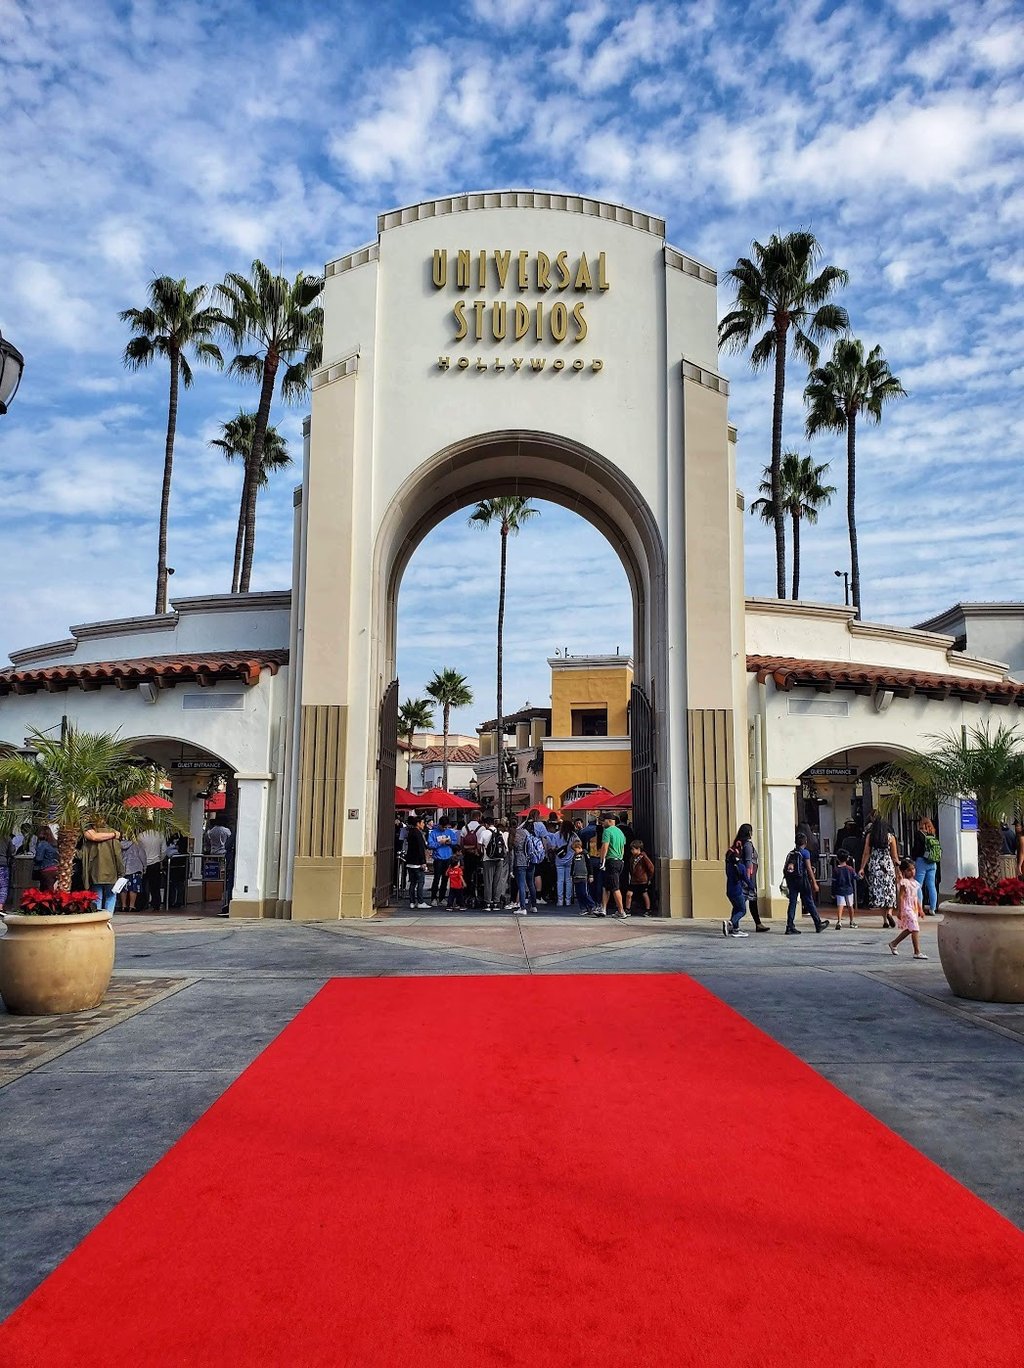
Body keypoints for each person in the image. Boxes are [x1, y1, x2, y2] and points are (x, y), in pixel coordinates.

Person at [782, 827, 830, 933]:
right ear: (805, 842)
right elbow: (808, 868)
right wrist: (814, 882)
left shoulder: (791, 853)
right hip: (802, 880)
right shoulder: (805, 853)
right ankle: (818, 923)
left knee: (793, 902)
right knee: (809, 901)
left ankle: (789, 925)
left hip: (792, 881)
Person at [859, 811, 899, 929]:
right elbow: (895, 856)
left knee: (880, 893)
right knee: (889, 892)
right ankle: (890, 913)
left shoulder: (870, 836)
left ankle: (885, 920)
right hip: (887, 866)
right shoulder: (890, 837)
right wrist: (898, 869)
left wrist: (862, 868)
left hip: (875, 866)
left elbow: (866, 853)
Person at [82, 818, 124, 913]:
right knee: (111, 896)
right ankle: (108, 918)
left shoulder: (90, 836)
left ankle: (97, 919)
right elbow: (118, 856)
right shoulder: (114, 835)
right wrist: (121, 872)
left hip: (95, 872)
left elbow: (83, 854)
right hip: (111, 872)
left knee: (97, 897)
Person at [888, 858, 928, 959]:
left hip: (913, 908)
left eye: (913, 869)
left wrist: (920, 909)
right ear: (904, 871)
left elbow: (916, 897)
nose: (912, 871)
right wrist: (900, 910)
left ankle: (894, 943)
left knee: (911, 929)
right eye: (909, 870)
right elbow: (901, 897)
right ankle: (917, 951)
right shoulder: (904, 882)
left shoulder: (915, 883)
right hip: (906, 907)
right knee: (915, 928)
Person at [735, 822, 768, 931]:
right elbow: (749, 863)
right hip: (749, 878)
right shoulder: (748, 845)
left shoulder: (740, 844)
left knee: (752, 901)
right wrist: (748, 880)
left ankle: (758, 923)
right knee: (742, 902)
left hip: (747, 877)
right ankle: (733, 922)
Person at [511, 814, 543, 914]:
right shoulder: (532, 834)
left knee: (521, 884)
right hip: (531, 860)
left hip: (520, 861)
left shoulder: (519, 833)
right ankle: (533, 906)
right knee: (531, 883)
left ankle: (522, 907)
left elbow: (514, 846)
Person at [723, 833, 753, 937]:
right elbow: (746, 879)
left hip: (729, 890)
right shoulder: (741, 867)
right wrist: (751, 886)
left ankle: (735, 929)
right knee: (742, 910)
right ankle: (731, 923)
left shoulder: (729, 867)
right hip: (737, 891)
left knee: (736, 908)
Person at [598, 814, 627, 918]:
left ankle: (621, 911)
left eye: (603, 821)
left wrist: (602, 860)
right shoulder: (620, 832)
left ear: (609, 821)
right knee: (606, 886)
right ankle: (603, 908)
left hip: (611, 861)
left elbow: (605, 847)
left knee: (615, 887)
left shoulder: (607, 831)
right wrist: (621, 858)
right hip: (619, 860)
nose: (601, 823)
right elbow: (623, 848)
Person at [911, 817, 940, 917]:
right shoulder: (932, 833)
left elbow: (917, 848)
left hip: (922, 861)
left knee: (918, 885)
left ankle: (919, 908)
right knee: (931, 885)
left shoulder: (919, 834)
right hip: (932, 862)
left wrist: (913, 857)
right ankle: (933, 908)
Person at [428, 816, 459, 905]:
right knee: (436, 879)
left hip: (448, 858)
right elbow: (430, 845)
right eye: (443, 827)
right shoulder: (433, 833)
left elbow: (455, 841)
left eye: (446, 827)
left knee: (445, 879)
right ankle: (433, 897)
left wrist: (450, 843)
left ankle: (442, 898)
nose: (445, 828)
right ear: (439, 825)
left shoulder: (450, 832)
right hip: (438, 858)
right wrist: (439, 843)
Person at [477, 814, 506, 911]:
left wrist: (481, 854)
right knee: (497, 881)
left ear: (486, 824)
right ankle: (496, 902)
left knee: (488, 881)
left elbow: (479, 846)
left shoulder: (484, 833)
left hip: (488, 859)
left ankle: (488, 903)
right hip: (499, 859)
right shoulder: (500, 832)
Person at [460, 810, 485, 907]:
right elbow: (481, 843)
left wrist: (464, 851)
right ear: (478, 817)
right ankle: (477, 893)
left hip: (467, 855)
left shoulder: (464, 828)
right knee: (478, 875)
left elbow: (461, 843)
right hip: (476, 855)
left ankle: (467, 893)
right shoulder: (482, 828)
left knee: (467, 874)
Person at [137, 825, 165, 911]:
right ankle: (156, 904)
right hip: (155, 863)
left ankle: (143, 904)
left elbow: (138, 850)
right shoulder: (160, 835)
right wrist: (160, 859)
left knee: (143, 885)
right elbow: (164, 850)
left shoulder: (140, 836)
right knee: (155, 886)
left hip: (143, 863)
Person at [625, 839, 655, 915]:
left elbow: (651, 867)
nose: (632, 851)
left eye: (633, 849)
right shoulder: (632, 858)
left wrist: (649, 877)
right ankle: (627, 909)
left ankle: (648, 909)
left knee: (644, 894)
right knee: (629, 894)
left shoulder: (643, 857)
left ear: (638, 849)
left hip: (642, 880)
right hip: (634, 880)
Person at [119, 832, 147, 912]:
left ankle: (123, 906)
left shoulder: (119, 844)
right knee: (133, 888)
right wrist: (144, 866)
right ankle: (132, 906)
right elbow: (142, 856)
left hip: (123, 868)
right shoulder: (137, 843)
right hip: (135, 868)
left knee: (123, 888)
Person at [404, 814, 428, 908]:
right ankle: (420, 901)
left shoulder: (410, 832)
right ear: (418, 823)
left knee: (412, 882)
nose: (424, 824)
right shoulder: (418, 834)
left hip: (410, 861)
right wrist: (423, 862)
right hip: (417, 862)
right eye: (422, 823)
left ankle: (412, 902)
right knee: (420, 882)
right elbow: (421, 848)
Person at [569, 837, 599, 913]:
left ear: (579, 847)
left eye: (575, 849)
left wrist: (591, 875)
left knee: (584, 892)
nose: (574, 851)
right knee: (579, 893)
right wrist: (571, 874)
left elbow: (589, 865)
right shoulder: (574, 856)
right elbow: (573, 865)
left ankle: (592, 905)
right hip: (576, 876)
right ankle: (583, 907)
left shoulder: (585, 854)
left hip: (584, 876)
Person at [833, 852, 858, 928]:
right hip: (849, 890)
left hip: (839, 890)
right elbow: (856, 877)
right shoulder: (850, 869)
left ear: (837, 859)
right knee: (850, 906)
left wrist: (832, 892)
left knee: (840, 906)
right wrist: (860, 876)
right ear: (847, 859)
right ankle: (851, 921)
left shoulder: (836, 870)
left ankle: (839, 921)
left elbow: (834, 882)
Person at [554, 819, 576, 907]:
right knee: (568, 880)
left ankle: (560, 900)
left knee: (559, 880)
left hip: (559, 860)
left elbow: (553, 846)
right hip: (570, 860)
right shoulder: (574, 835)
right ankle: (568, 900)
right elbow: (579, 845)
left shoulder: (557, 835)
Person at [33, 826, 59, 892]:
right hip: (56, 869)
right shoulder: (54, 843)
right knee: (53, 890)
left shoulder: (42, 844)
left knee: (46, 892)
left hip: (46, 870)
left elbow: (39, 858)